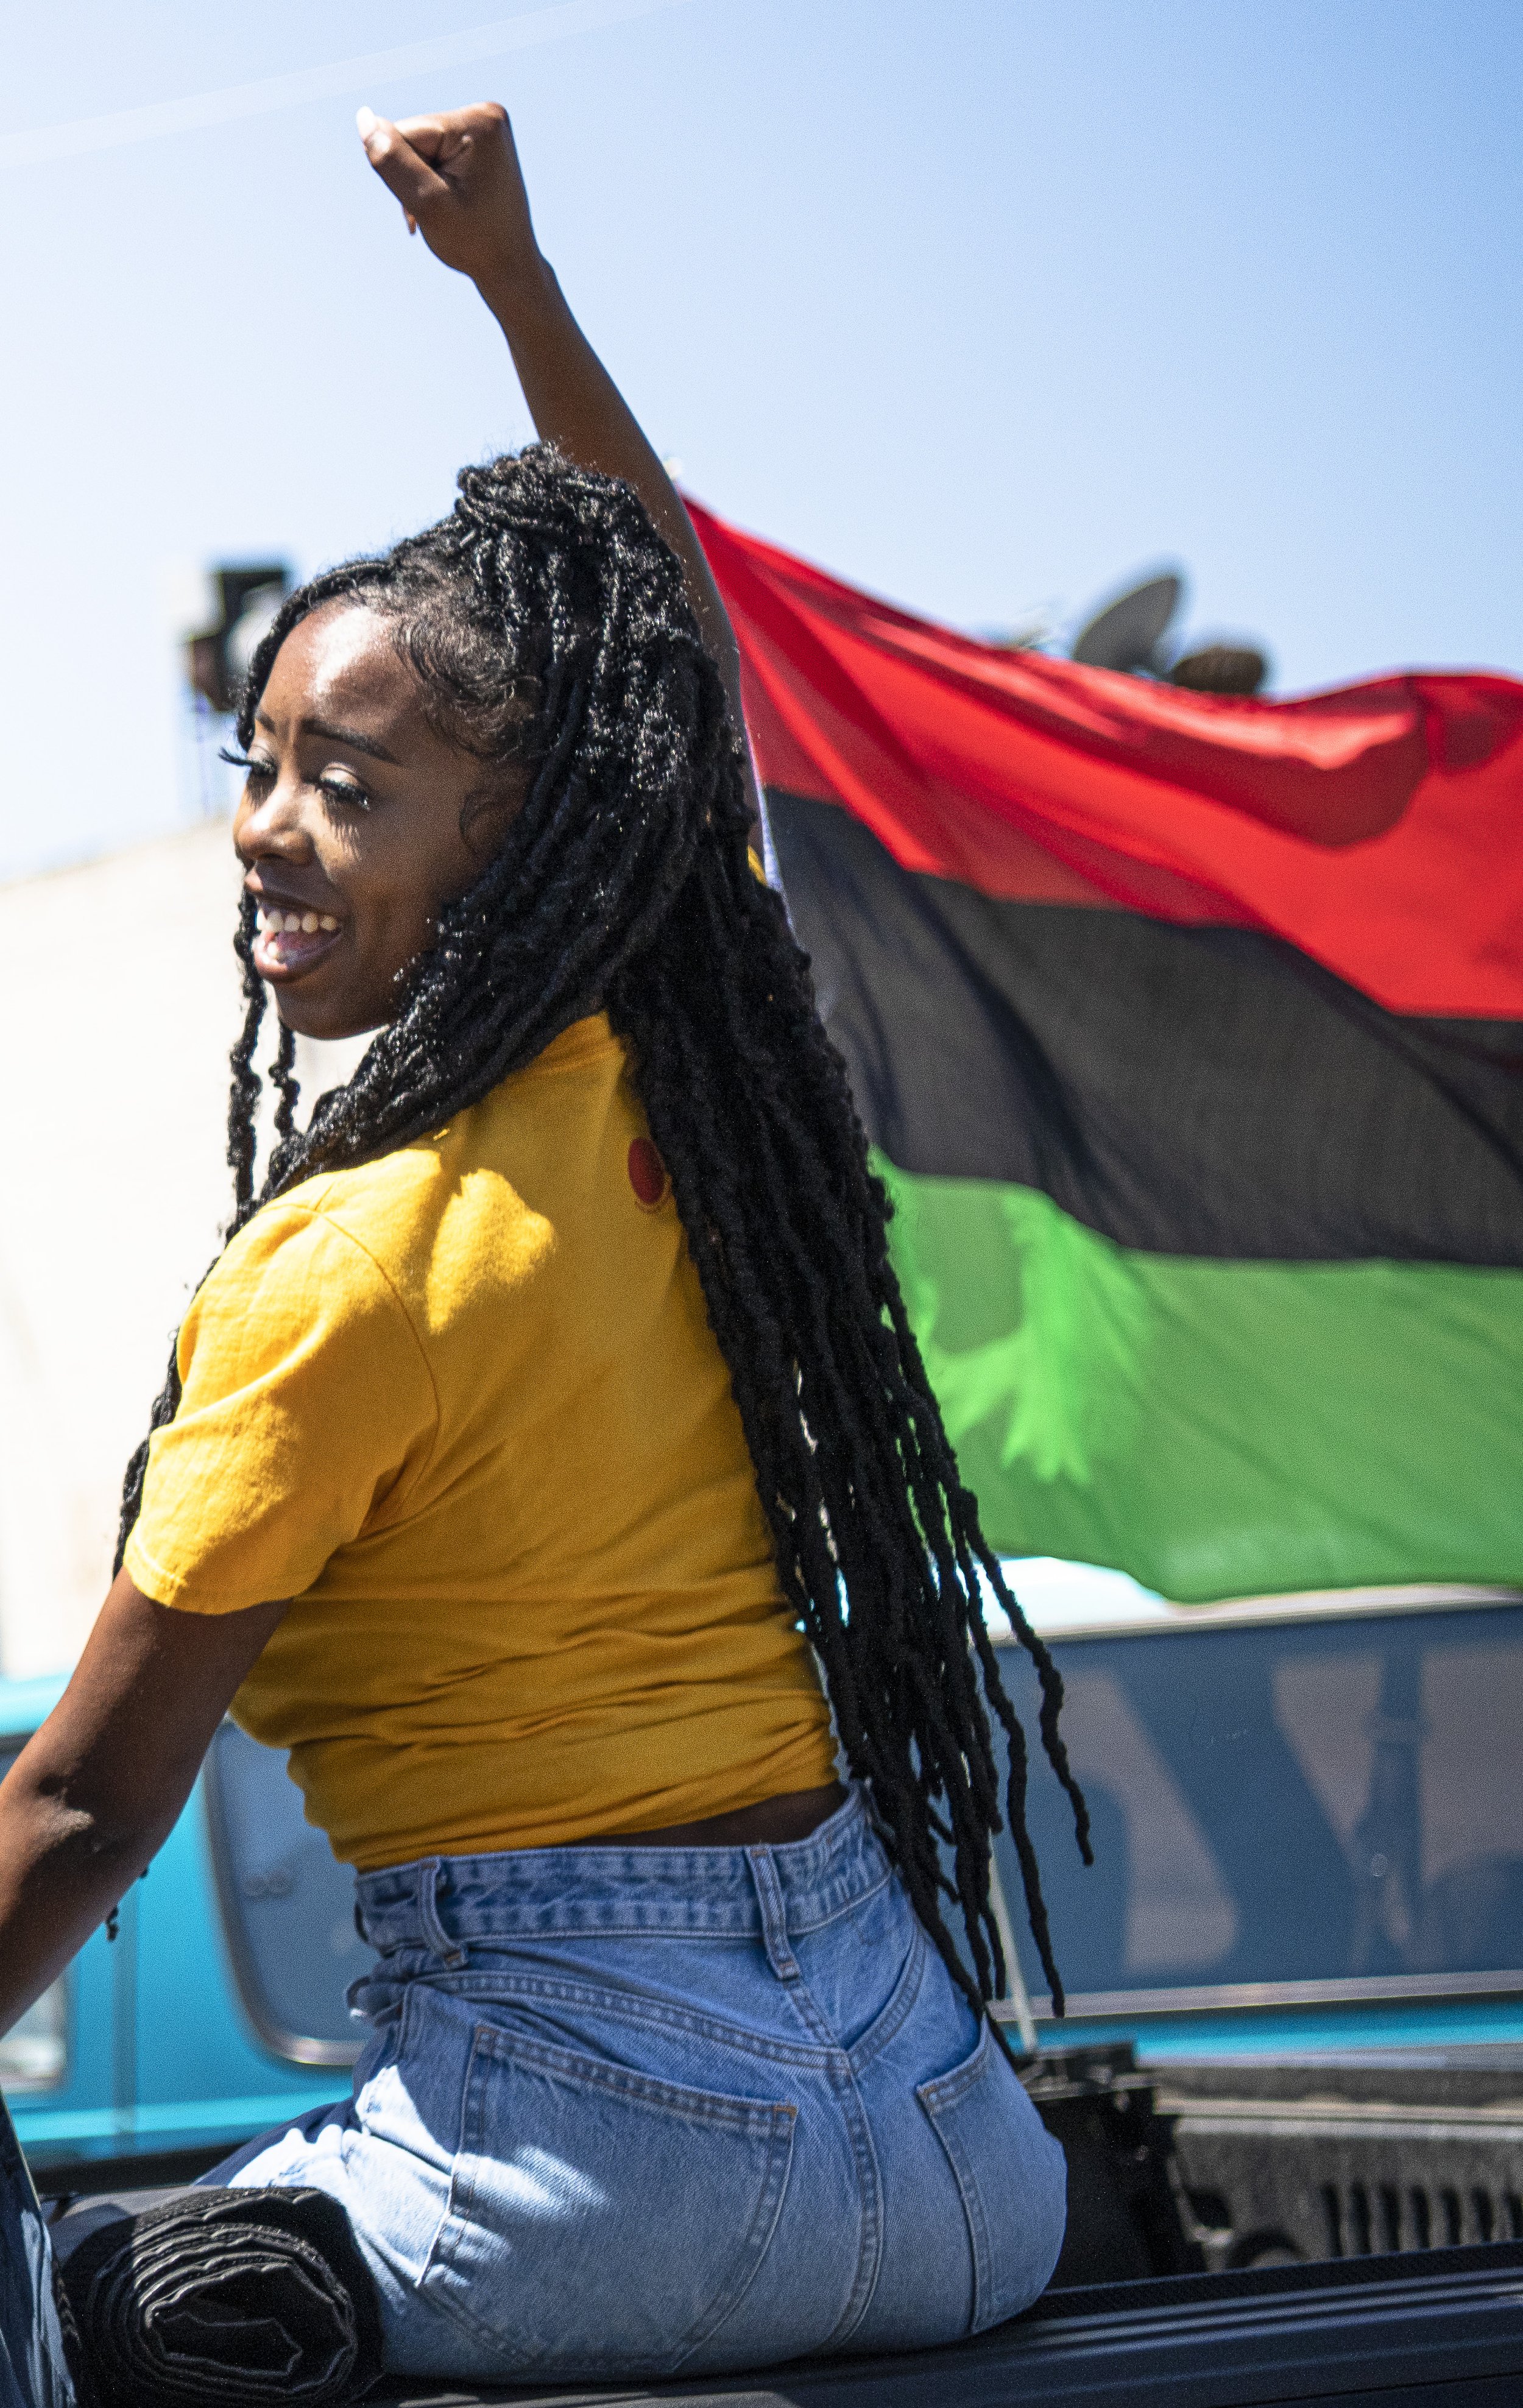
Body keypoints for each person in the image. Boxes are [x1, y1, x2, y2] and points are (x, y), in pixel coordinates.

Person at [0, 102, 1088, 2385]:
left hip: (583, 2183)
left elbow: (83, 1810)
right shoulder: (696, 1082)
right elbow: (664, 652)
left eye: (353, 789)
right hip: (959, 2157)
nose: (271, 836)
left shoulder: (352, 1264)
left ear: (524, 836)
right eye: (260, 753)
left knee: (93, 2297)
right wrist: (516, 281)